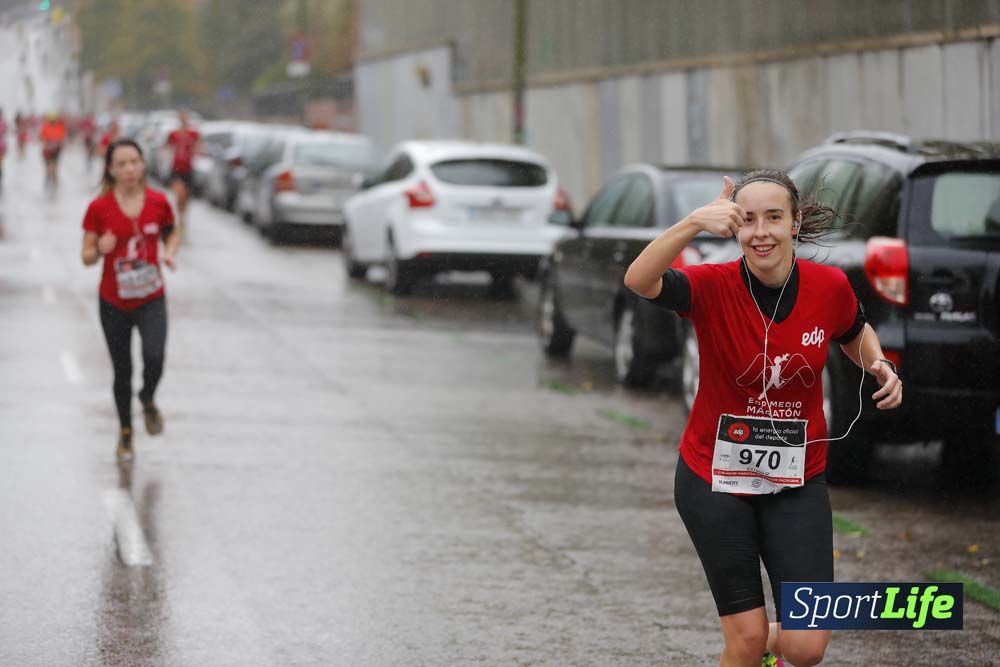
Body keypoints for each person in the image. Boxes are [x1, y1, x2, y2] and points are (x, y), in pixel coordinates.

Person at [624, 169, 902, 667]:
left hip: (796, 482)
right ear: (735, 227)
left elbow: (854, 330)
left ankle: (759, 645)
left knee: (806, 647)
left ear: (795, 223)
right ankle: (746, 646)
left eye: (774, 217)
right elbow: (639, 280)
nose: (761, 232)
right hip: (715, 479)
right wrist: (691, 222)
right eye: (747, 219)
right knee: (747, 640)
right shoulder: (711, 286)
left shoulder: (829, 285)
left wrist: (878, 363)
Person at [80, 138, 182, 461]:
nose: (129, 169)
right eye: (121, 164)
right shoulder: (99, 207)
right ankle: (125, 432)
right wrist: (99, 250)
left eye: (134, 162)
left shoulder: (158, 201)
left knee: (155, 357)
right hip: (114, 301)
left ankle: (148, 398)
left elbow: (172, 231)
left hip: (151, 296)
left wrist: (168, 252)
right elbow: (85, 255)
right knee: (122, 369)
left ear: (142, 165)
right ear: (111, 169)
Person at [165, 111, 200, 225]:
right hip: (176, 168)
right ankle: (179, 217)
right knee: (179, 194)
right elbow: (166, 147)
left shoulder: (193, 134)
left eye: (186, 119)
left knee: (186, 197)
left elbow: (199, 147)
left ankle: (182, 215)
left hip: (188, 169)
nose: (184, 121)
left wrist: (197, 153)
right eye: (182, 119)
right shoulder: (173, 134)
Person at [39, 112, 67, 191]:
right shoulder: (45, 127)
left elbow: (62, 139)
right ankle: (48, 181)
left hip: (56, 151)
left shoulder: (60, 127)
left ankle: (55, 182)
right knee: (48, 167)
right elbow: (42, 138)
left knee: (54, 167)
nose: (53, 122)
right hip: (47, 151)